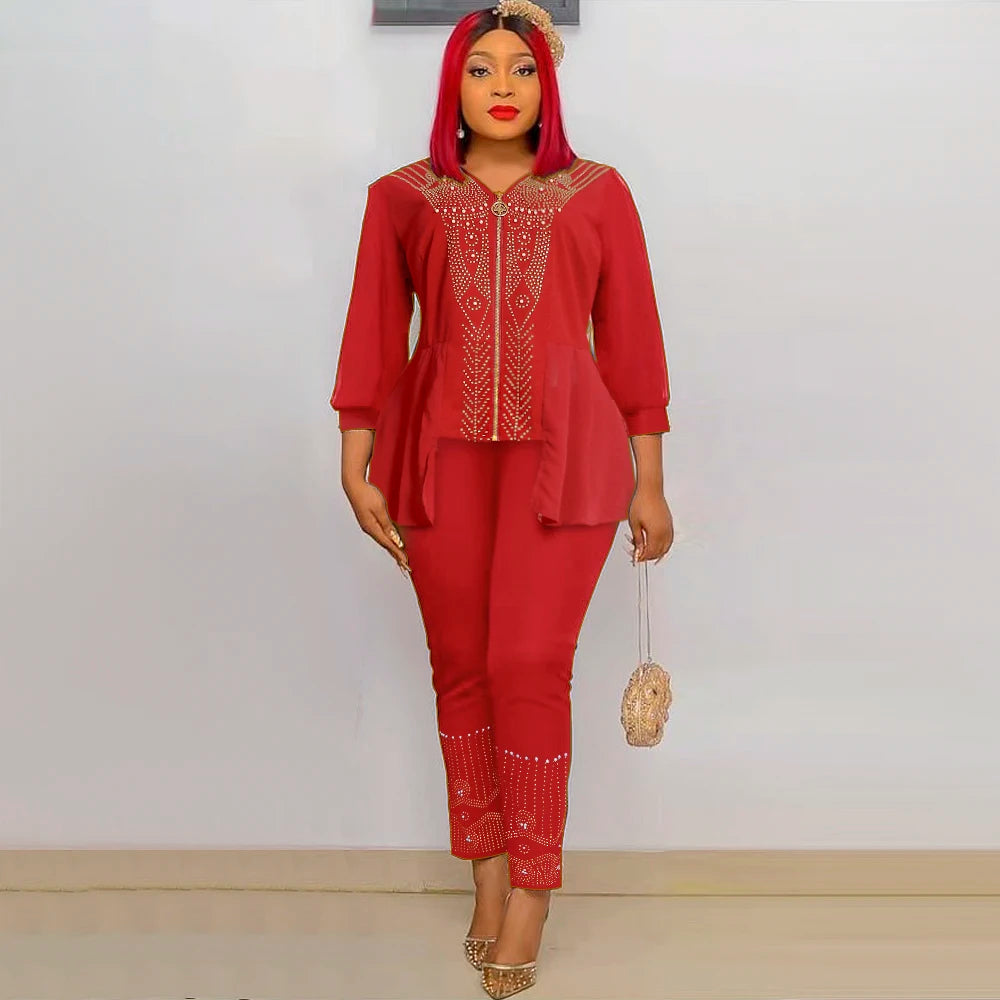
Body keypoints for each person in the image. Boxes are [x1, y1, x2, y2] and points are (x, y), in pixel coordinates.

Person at [329, 2, 674, 995]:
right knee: (460, 667)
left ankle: (533, 884)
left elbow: (632, 338)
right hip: (433, 460)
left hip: (568, 461)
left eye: (520, 68)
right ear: (454, 86)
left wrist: (650, 479)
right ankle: (484, 872)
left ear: (546, 84)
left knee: (528, 662)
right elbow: (372, 332)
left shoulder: (597, 193)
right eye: (480, 69)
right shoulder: (402, 197)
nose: (502, 87)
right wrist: (354, 458)